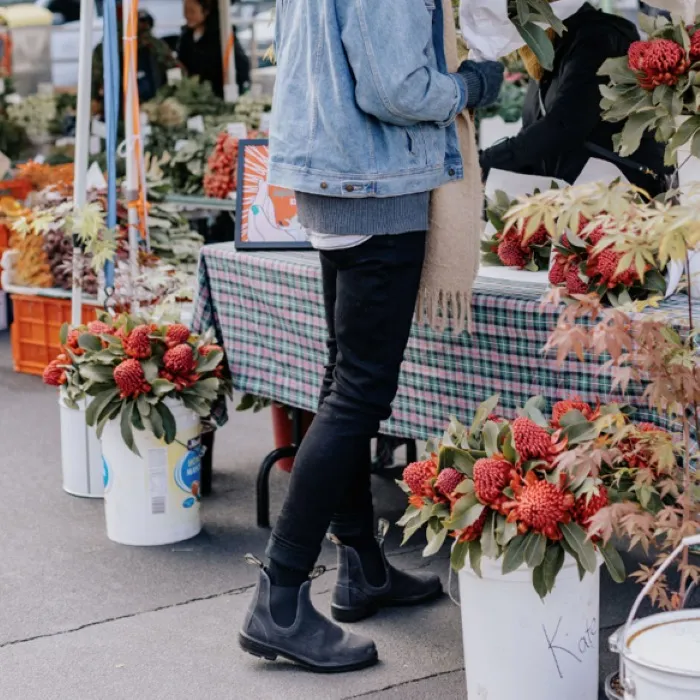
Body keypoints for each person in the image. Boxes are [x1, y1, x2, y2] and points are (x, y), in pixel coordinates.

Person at [238, 0, 503, 673]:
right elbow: (398, 90)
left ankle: (361, 566)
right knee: (358, 395)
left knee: (343, 386)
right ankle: (281, 598)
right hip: (374, 185)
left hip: (334, 177)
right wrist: (474, 84)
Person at [479, 1, 668, 195]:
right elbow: (537, 140)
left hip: (617, 199)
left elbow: (565, 124)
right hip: (574, 202)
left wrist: (485, 162)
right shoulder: (547, 55)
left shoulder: (599, 37)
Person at [92, 4, 179, 110]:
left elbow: (175, 70)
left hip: (153, 104)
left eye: (145, 28)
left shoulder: (155, 46)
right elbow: (95, 80)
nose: (142, 33)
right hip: (118, 107)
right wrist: (96, 100)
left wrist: (173, 95)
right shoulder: (107, 50)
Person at [177, 0, 251, 98]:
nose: (187, 16)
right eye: (185, 11)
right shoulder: (185, 37)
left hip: (217, 96)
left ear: (206, 11)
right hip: (194, 96)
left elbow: (241, 65)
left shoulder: (222, 35)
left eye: (192, 11)